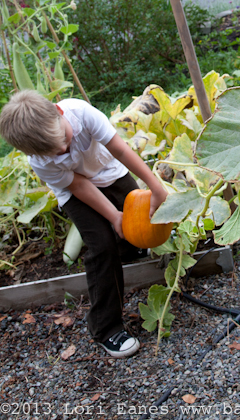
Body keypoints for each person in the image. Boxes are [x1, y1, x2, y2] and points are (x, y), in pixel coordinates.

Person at [0, 90, 168, 358]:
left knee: (137, 215)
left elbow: (120, 150)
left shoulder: (82, 113)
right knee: (101, 245)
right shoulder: (40, 161)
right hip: (75, 190)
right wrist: (113, 217)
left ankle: (129, 250)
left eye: (64, 140)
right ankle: (106, 328)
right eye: (55, 152)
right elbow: (78, 185)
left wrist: (154, 186)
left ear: (59, 112)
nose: (63, 150)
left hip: (109, 170)